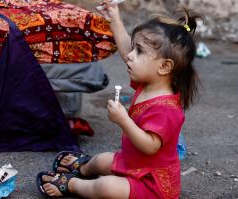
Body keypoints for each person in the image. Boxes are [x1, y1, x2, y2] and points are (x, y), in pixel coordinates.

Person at [36, 1, 203, 198]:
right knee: (101, 160)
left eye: (139, 51)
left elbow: (150, 146)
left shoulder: (166, 109)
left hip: (152, 185)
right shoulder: (150, 82)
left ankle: (73, 185)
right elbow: (126, 50)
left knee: (105, 187)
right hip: (133, 163)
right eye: (134, 48)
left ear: (165, 67)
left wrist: (124, 120)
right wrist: (115, 18)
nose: (130, 56)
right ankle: (84, 168)